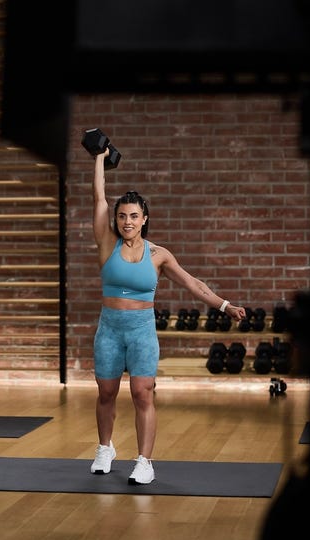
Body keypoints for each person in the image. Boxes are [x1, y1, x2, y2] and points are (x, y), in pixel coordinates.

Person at [88, 147, 246, 484]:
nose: (127, 222)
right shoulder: (106, 242)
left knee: (142, 392)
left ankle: (145, 461)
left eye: (134, 216)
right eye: (122, 216)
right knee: (105, 392)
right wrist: (99, 158)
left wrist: (224, 305)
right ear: (116, 219)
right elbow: (98, 196)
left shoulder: (159, 255)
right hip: (110, 328)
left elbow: (192, 283)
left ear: (144, 218)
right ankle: (105, 448)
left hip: (142, 329)